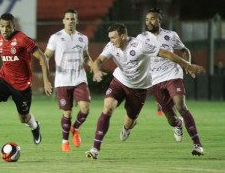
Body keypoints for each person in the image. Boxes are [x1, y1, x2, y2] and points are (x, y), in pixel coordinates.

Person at [85, 23, 205, 159]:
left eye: (113, 38)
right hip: (119, 81)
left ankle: (129, 126)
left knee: (129, 121)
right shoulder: (111, 46)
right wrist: (96, 70)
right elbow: (99, 60)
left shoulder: (140, 45)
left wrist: (187, 65)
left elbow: (166, 53)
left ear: (123, 36)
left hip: (139, 88)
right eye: (109, 38)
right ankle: (95, 149)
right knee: (107, 108)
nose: (111, 41)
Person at [0, 13, 52, 158]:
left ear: (14, 26)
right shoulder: (0, 39)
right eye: (2, 26)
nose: (5, 29)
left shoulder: (22, 39)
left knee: (23, 119)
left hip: (21, 86)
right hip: (5, 79)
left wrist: (46, 81)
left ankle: (35, 126)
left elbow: (42, 57)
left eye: (8, 26)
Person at [136, 8, 204, 156]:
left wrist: (188, 65)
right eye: (147, 19)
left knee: (181, 106)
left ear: (160, 20)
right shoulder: (141, 38)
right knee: (171, 119)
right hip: (155, 79)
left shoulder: (171, 35)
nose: (149, 22)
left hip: (173, 74)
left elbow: (184, 49)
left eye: (152, 19)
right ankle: (178, 124)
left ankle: (197, 144)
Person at [44, 9, 93, 151]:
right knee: (68, 113)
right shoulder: (56, 37)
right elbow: (46, 55)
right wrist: (46, 77)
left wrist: (93, 66)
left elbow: (85, 57)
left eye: (73, 19)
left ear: (77, 21)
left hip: (79, 78)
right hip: (62, 80)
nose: (70, 21)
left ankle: (75, 128)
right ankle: (65, 142)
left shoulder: (83, 38)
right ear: (63, 21)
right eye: (68, 18)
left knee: (85, 108)